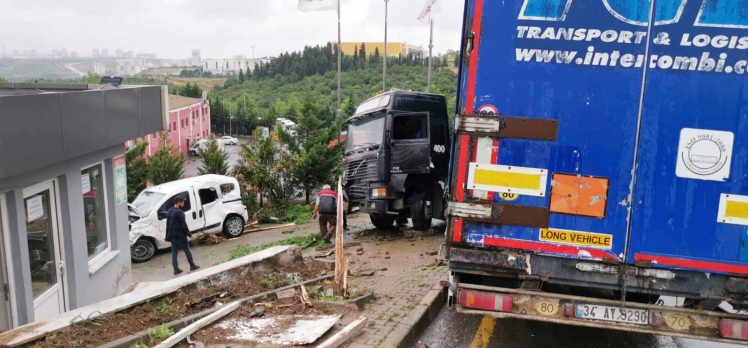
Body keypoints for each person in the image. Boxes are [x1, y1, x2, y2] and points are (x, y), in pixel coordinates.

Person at [165, 197, 200, 275]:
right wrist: (189, 234)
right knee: (187, 250)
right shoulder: (180, 212)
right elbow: (184, 225)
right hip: (180, 235)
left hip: (172, 235)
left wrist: (168, 235)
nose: (183, 204)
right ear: (178, 203)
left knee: (174, 252)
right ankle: (192, 265)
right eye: (182, 202)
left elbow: (167, 224)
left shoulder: (169, 211)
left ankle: (176, 269)